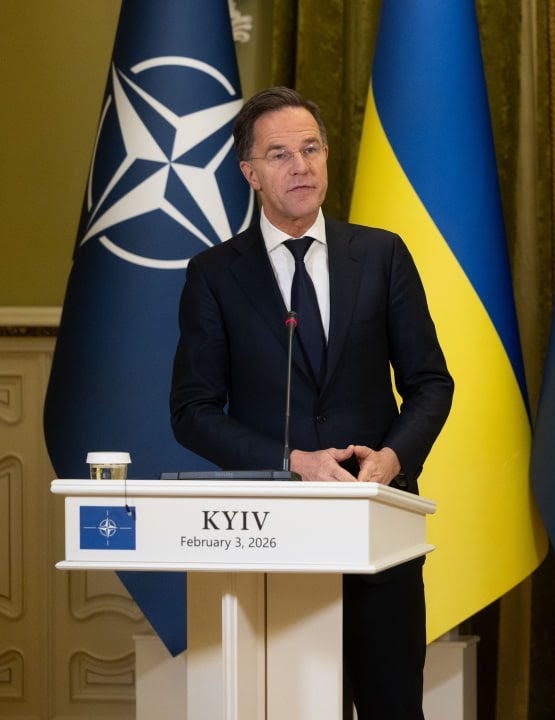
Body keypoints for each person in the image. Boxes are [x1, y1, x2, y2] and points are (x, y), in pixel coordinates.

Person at [170, 86, 453, 718]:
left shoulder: (381, 255)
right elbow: (192, 411)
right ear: (250, 173)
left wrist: (390, 460)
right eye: (279, 154)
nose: (300, 166)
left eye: (311, 149)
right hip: (271, 536)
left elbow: (431, 382)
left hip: (376, 525)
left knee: (391, 707)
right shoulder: (214, 275)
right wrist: (292, 461)